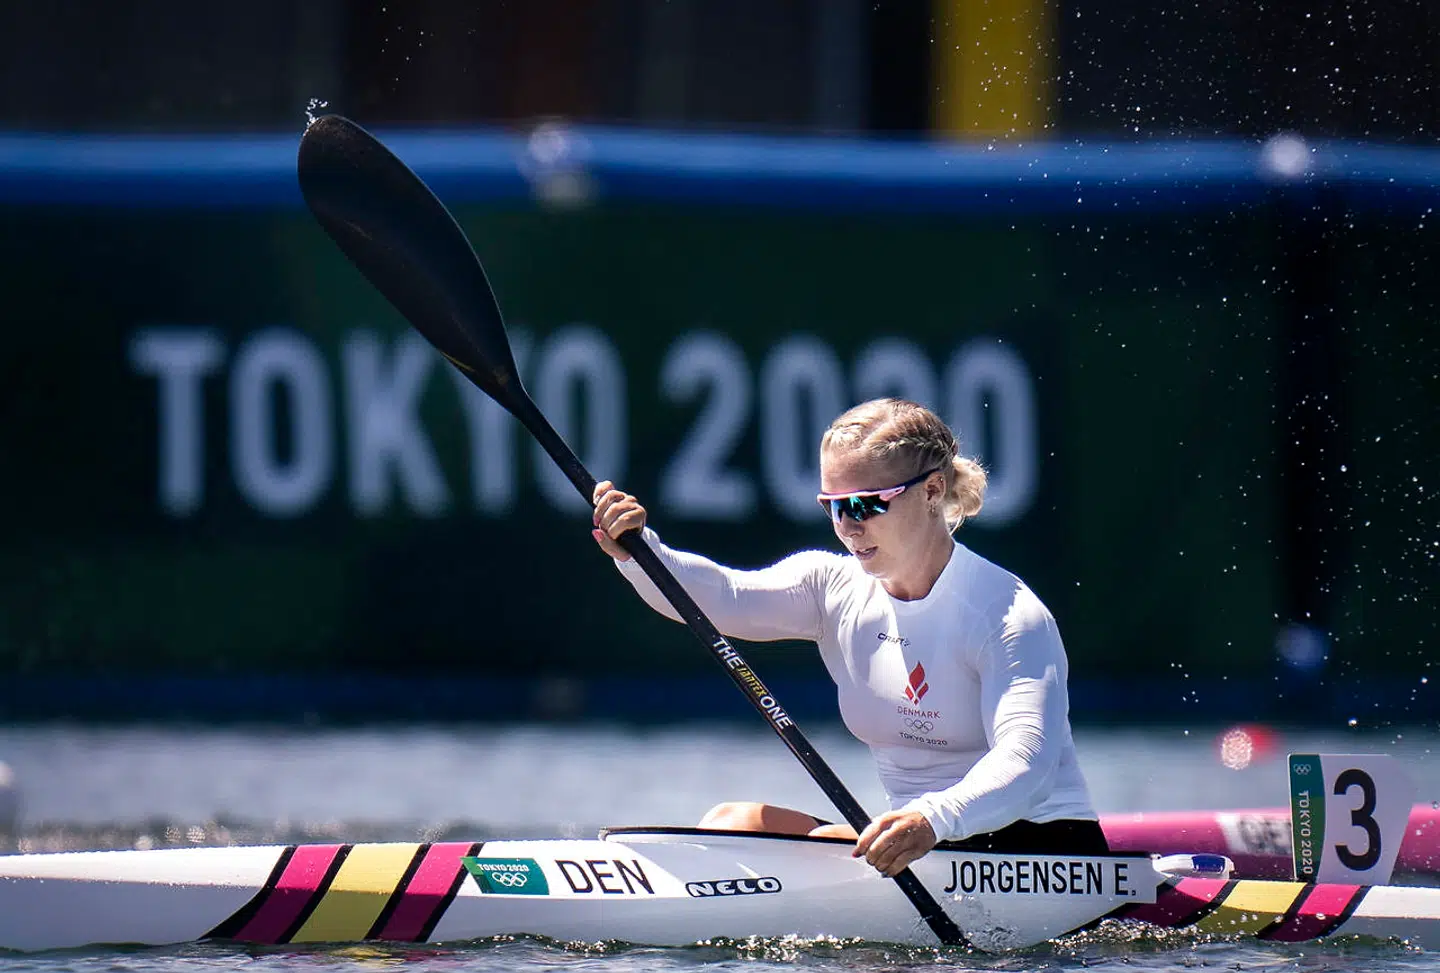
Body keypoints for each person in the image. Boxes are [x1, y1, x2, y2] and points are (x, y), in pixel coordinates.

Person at [590, 397, 1106, 878]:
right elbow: (723, 596)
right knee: (733, 822)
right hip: (914, 845)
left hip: (1038, 852)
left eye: (864, 504)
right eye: (833, 506)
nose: (847, 526)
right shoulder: (832, 587)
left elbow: (1026, 764)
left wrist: (931, 818)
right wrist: (640, 551)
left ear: (931, 491)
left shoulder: (1007, 614)